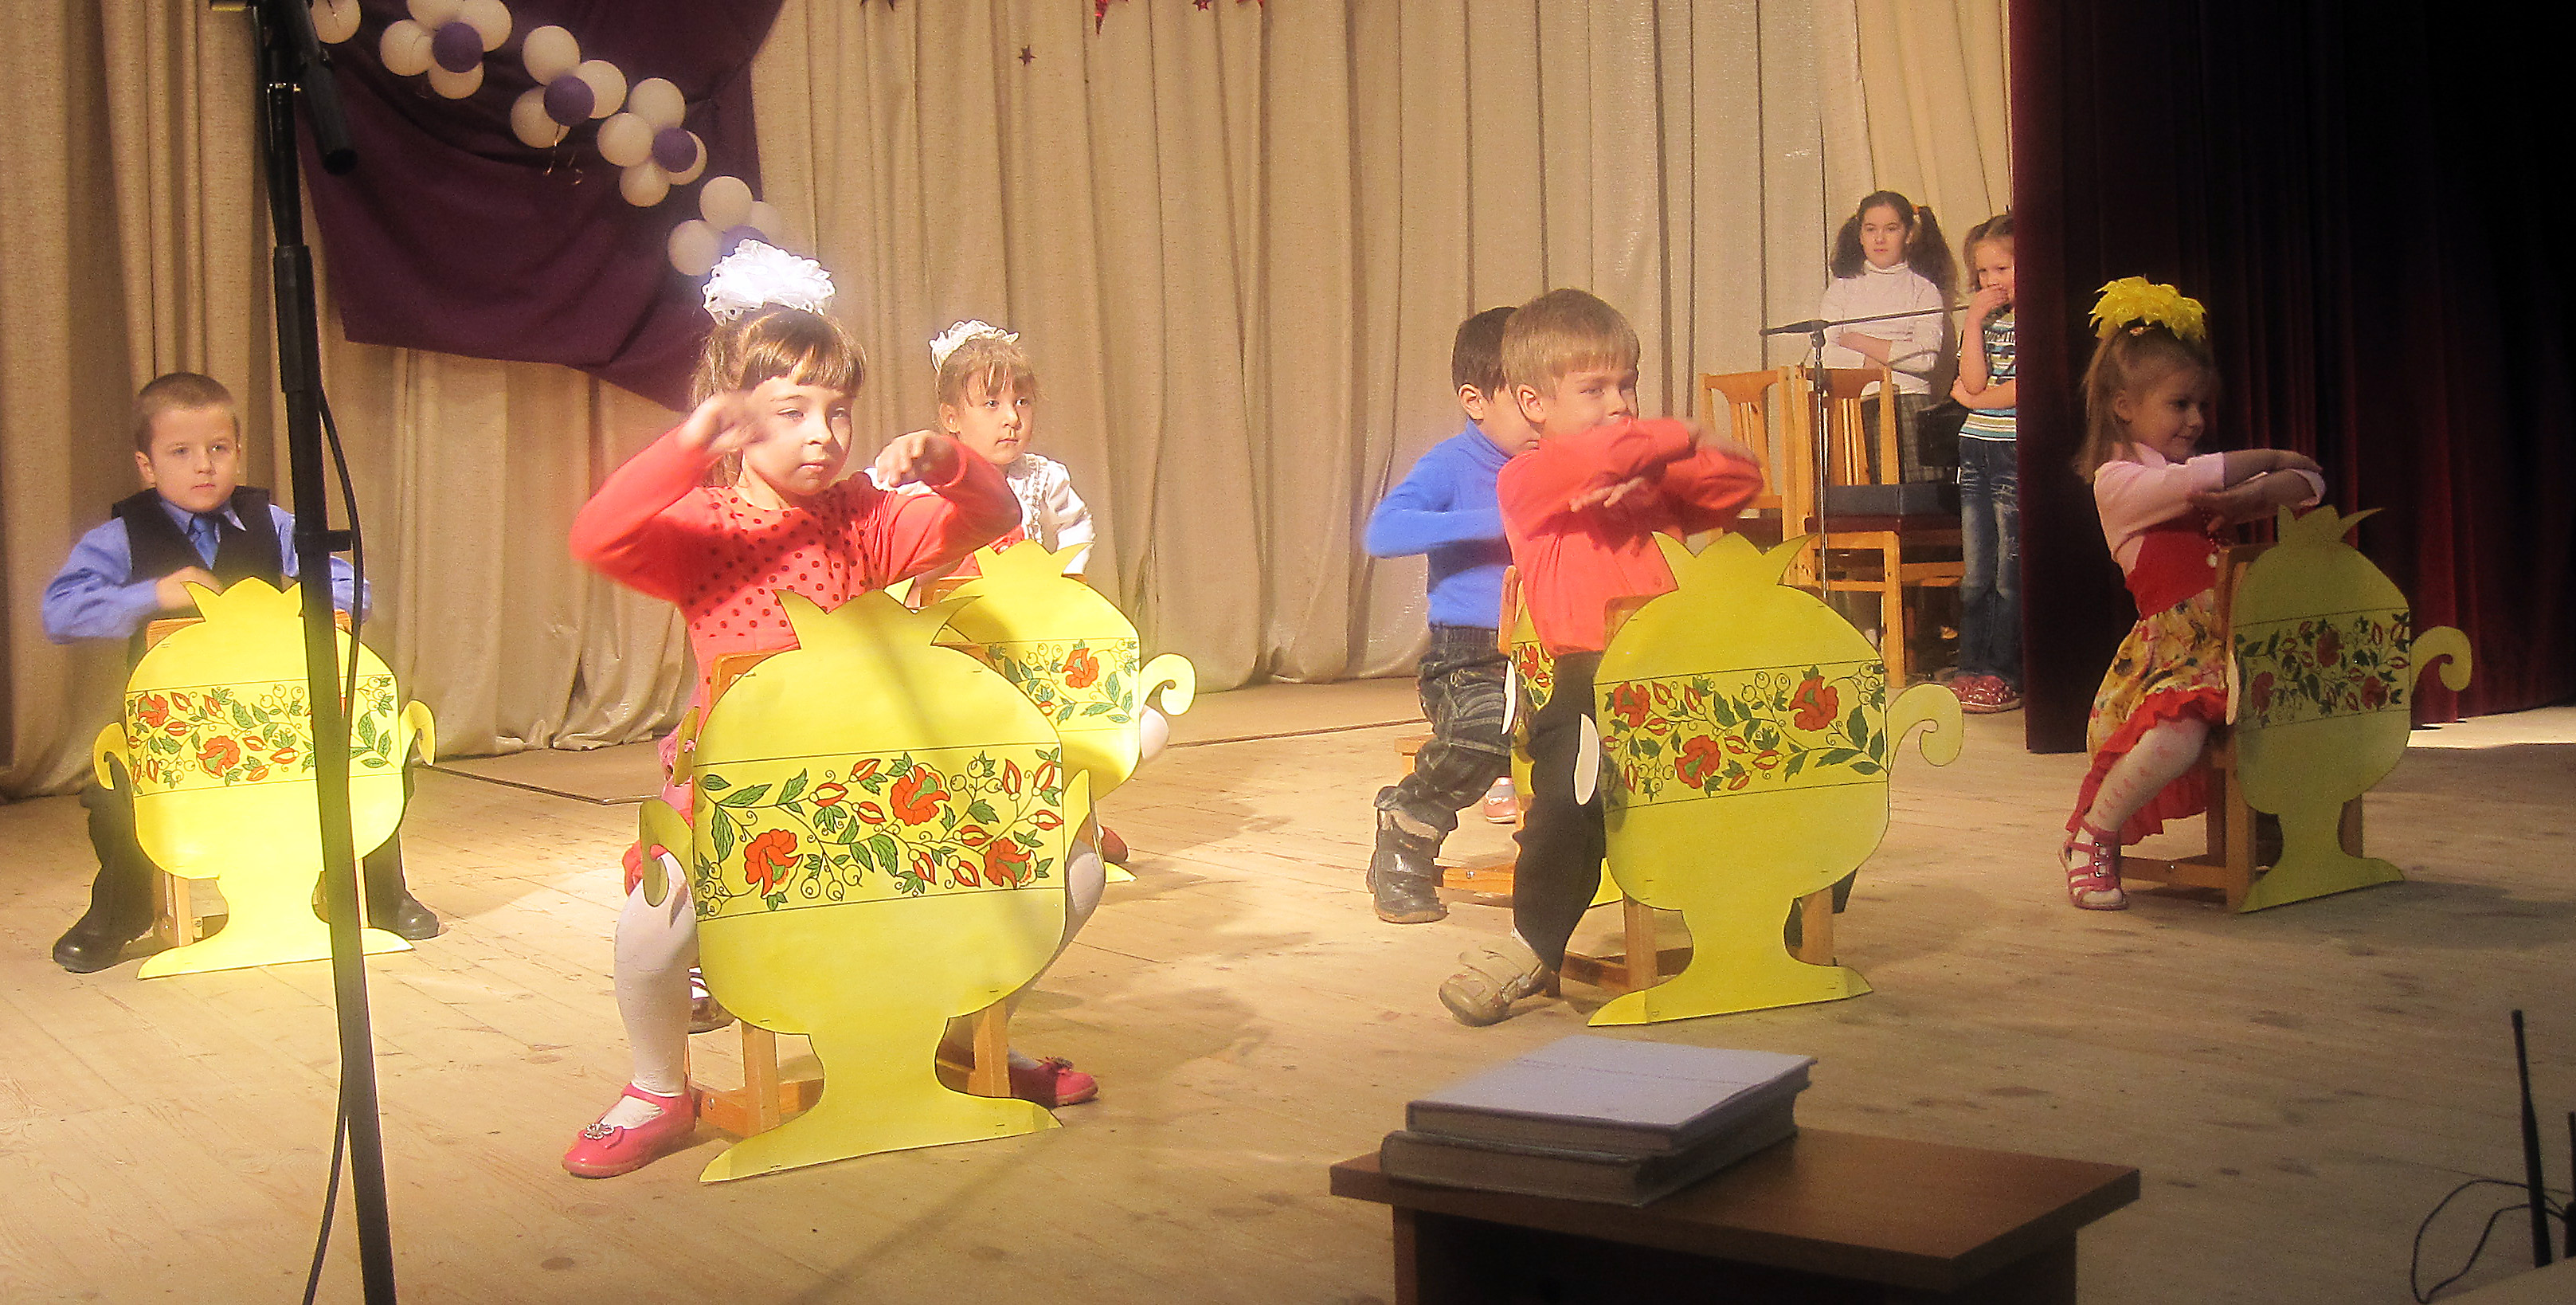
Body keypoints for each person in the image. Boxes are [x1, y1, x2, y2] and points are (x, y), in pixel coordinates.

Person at [560, 243, 1060, 1179]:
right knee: (654, 924)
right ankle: (657, 1088)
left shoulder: (865, 515)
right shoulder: (707, 529)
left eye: (838, 412)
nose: (824, 435)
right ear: (736, 420)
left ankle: (964, 1037)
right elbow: (597, 535)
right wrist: (686, 449)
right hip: (744, 791)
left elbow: (991, 518)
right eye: (791, 412)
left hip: (870, 785)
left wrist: (951, 462)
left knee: (1055, 866)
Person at [1436, 290, 1763, 1025]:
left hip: (1676, 671)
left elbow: (1737, 483)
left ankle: (1777, 914)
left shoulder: (1643, 480)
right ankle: (1532, 945)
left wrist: (1674, 462)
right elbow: (1598, 457)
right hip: (1589, 678)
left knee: (1778, 746)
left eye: (1628, 384)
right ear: (1533, 403)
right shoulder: (1526, 479)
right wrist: (1667, 435)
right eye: (1595, 390)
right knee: (1569, 794)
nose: (1620, 404)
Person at [41, 372, 437, 974]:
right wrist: (152, 594)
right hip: (175, 730)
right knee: (119, 791)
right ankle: (122, 907)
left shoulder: (268, 521)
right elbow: (60, 613)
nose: (204, 465)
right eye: (181, 452)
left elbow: (351, 587)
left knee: (367, 758)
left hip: (280, 717)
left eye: (218, 449)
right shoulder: (121, 537)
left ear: (238, 452)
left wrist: (307, 601)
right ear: (147, 466)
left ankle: (380, 891)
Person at [2061, 278, 2325, 911]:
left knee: (2306, 706)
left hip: (2235, 645)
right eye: (2180, 405)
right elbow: (2200, 480)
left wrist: (2256, 495)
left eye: (2201, 405)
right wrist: (2272, 457)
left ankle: (2273, 829)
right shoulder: (2119, 482)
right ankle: (2095, 835)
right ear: (2124, 406)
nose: (2198, 420)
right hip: (2175, 655)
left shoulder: (2193, 481)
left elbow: (2312, 484)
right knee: (2177, 732)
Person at [1360, 307, 1536, 923]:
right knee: (1486, 730)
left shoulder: (1557, 462)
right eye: (1524, 398)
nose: (1541, 413)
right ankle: (1407, 826)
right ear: (1475, 400)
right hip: (1469, 659)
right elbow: (1383, 532)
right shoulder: (1450, 463)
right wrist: (1496, 522)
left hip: (1551, 651)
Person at [1818, 190, 1956, 482]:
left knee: (1915, 495)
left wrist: (1859, 341)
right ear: (1860, 236)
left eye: (1891, 229)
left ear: (1909, 235)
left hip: (1909, 403)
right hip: (1855, 404)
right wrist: (1878, 363)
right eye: (1871, 229)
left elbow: (1925, 359)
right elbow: (1828, 354)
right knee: (1861, 495)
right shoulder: (1841, 290)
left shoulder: (1924, 290)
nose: (1879, 239)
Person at [1950, 212, 2022, 713]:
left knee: (2008, 573)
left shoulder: (2034, 320)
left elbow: (2016, 390)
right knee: (1976, 571)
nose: (1991, 281)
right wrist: (1973, 321)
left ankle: (2003, 671)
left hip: (2014, 449)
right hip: (1975, 448)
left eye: (2002, 269)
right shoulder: (1986, 321)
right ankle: (1970, 666)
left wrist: (1974, 399)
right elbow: (1974, 379)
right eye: (1982, 273)